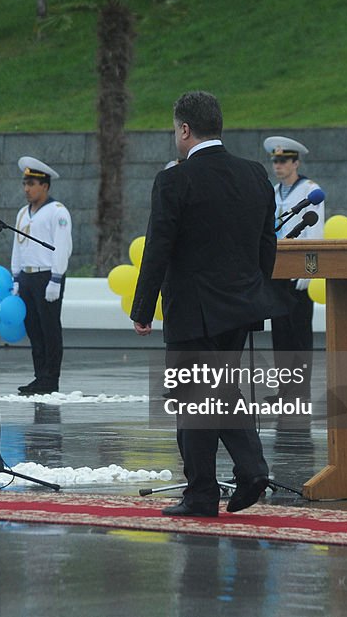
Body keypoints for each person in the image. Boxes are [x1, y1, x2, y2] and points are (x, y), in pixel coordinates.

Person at [131, 91, 282, 517]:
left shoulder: (175, 179)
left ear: (184, 129)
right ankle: (235, 476)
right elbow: (265, 245)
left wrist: (143, 308)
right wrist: (253, 290)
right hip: (240, 305)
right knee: (216, 392)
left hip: (193, 309)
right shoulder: (255, 176)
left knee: (193, 397)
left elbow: (158, 248)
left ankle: (211, 488)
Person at [266, 136, 324, 403]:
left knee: (299, 333)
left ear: (296, 162)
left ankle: (300, 390)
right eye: (275, 160)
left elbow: (316, 232)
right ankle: (284, 389)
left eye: (284, 160)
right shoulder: (273, 191)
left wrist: (309, 270)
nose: (278, 165)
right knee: (280, 332)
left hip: (299, 270)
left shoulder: (310, 190)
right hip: (278, 268)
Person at [10, 156, 72, 395]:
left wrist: (56, 278)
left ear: (44, 186)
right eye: (25, 184)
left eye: (31, 184)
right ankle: (39, 376)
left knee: (49, 328)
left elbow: (62, 246)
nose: (26, 189)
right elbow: (18, 245)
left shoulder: (57, 212)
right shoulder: (23, 213)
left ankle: (51, 378)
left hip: (47, 276)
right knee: (33, 327)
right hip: (27, 276)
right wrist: (16, 276)